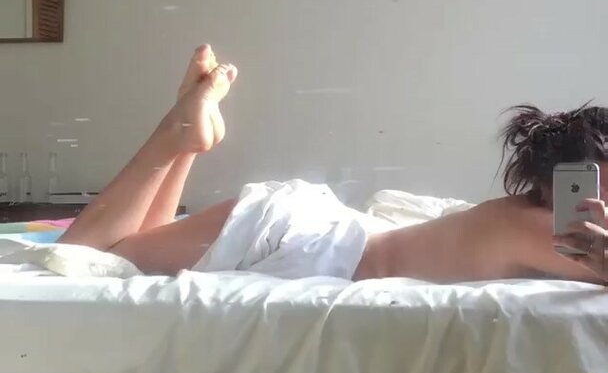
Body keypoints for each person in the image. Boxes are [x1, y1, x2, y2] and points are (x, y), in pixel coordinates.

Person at [62, 46, 608, 285]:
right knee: (84, 257)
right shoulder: (556, 233)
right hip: (301, 238)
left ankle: (186, 138)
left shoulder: (534, 218)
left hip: (308, 227)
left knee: (130, 250)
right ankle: (172, 135)